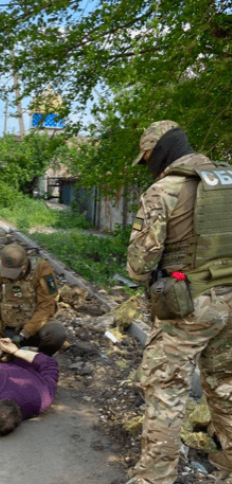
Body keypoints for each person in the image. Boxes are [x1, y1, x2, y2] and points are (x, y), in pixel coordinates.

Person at [126, 120, 232, 484]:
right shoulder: (228, 179)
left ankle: (154, 478)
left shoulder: (164, 191)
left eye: (149, 158)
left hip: (189, 306)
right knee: (226, 384)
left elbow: (139, 266)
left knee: (166, 390)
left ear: (160, 151)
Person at [0, 338, 59, 435]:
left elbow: (50, 363)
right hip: (23, 357)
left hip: (1, 358)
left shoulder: (42, 401)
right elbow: (50, 363)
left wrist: (1, 352)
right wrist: (15, 351)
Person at [0, 243, 66, 356]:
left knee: (57, 333)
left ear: (24, 266)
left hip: (37, 326)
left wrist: (23, 335)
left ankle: (41, 359)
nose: (8, 277)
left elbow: (46, 307)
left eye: (12, 273)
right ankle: (15, 355)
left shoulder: (42, 269)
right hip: (10, 327)